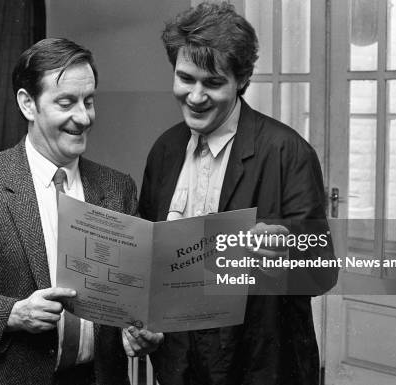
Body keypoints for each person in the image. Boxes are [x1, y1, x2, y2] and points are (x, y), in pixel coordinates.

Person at [0, 38, 140, 385]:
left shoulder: (117, 188)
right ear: (27, 104)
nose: (83, 117)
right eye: (66, 102)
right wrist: (12, 313)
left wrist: (140, 330)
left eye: (89, 101)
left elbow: (129, 292)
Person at [138, 3, 338, 384]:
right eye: (185, 78)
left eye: (213, 83)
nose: (195, 96)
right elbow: (147, 260)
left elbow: (321, 275)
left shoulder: (288, 152)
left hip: (260, 366)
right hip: (179, 365)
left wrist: (286, 254)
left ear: (241, 80)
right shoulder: (164, 151)